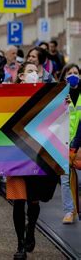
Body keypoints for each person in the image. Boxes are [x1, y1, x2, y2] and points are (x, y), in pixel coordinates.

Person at [8, 61, 59, 259]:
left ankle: (31, 230)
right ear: (20, 76)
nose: (33, 75)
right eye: (29, 71)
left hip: (38, 156)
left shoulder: (47, 95)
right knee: (19, 201)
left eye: (35, 72)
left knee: (34, 201)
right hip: (16, 155)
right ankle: (20, 244)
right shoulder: (9, 96)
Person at [59, 63, 80, 224]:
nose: (73, 75)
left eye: (76, 73)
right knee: (65, 179)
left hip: (80, 143)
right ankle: (69, 211)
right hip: (63, 141)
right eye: (70, 73)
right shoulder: (58, 95)